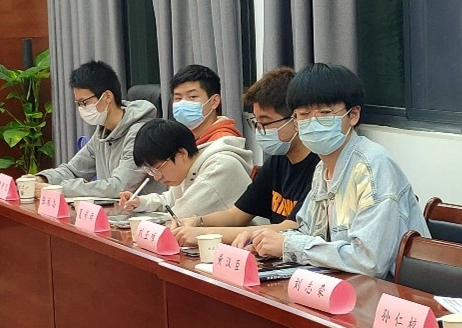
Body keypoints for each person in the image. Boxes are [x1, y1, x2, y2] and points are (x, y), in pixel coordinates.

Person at [241, 63, 428, 279]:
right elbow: (307, 230)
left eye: (325, 113)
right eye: (303, 114)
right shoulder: (323, 168)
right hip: (346, 283)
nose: (313, 122)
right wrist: (263, 239)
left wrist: (288, 245)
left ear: (353, 115)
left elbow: (370, 261)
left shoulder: (372, 166)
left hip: (395, 290)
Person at [172, 67, 319, 246]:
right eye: (256, 122)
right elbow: (235, 215)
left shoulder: (319, 166)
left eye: (265, 122)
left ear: (296, 118)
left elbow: (290, 227)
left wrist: (203, 234)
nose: (260, 130)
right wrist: (197, 221)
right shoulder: (277, 161)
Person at [35, 60, 156, 199]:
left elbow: (119, 187)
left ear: (107, 97)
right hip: (113, 210)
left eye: (84, 102)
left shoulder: (140, 133)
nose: (81, 108)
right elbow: (74, 171)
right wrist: (42, 179)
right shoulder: (102, 133)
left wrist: (58, 189)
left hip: (143, 211)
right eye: (78, 104)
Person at [118, 120, 253, 219]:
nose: (157, 177)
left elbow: (180, 215)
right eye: (151, 171)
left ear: (182, 154)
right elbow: (170, 200)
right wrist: (140, 202)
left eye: (157, 169)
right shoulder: (189, 167)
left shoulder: (219, 167)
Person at [170, 63, 242, 145]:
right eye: (178, 98)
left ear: (214, 101)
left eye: (192, 97)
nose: (183, 103)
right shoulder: (181, 139)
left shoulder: (224, 143)